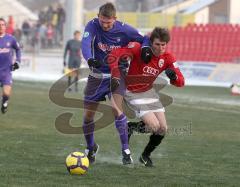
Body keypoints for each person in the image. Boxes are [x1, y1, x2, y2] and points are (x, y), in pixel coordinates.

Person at [81, 2, 151, 165]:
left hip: (117, 73)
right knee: (88, 116)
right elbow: (85, 44)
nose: (105, 25)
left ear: (115, 19)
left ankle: (125, 151)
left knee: (116, 109)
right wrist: (89, 58)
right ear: (98, 17)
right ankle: (91, 147)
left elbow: (145, 37)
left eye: (109, 22)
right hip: (96, 75)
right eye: (102, 21)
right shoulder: (92, 25)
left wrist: (146, 48)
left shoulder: (125, 29)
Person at [108, 27, 185, 167]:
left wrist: (174, 77)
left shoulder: (168, 58)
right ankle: (132, 128)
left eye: (163, 45)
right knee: (154, 126)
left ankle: (145, 155)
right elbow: (115, 53)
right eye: (157, 44)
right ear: (151, 42)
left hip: (149, 92)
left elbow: (181, 82)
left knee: (163, 129)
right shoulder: (138, 49)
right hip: (132, 92)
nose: (160, 48)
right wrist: (115, 72)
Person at [0, 18, 21, 114]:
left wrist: (18, 62)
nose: (1, 26)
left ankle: (4, 103)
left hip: (6, 71)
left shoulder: (10, 38)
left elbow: (18, 49)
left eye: (3, 24)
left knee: (6, 93)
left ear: (5, 26)